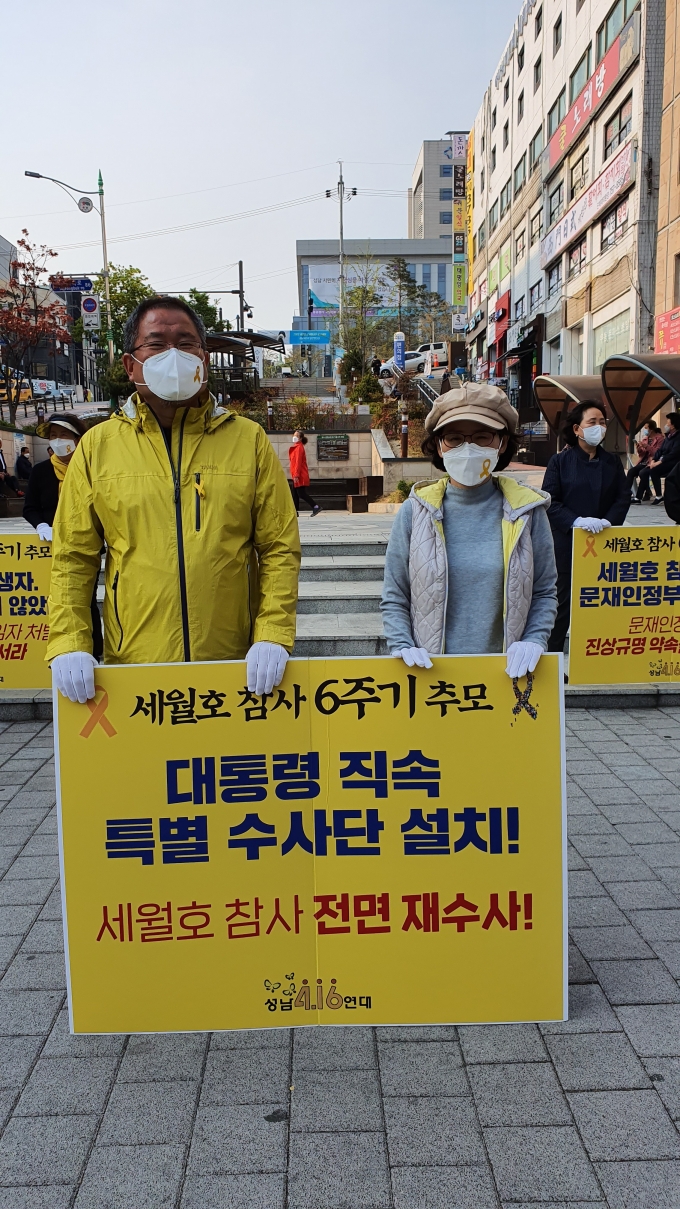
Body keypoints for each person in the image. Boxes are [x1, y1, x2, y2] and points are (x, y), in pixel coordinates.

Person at [47, 296, 300, 704]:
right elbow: (72, 557)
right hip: (136, 669)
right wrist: (69, 641)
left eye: (185, 344)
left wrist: (272, 633)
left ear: (203, 359)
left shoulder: (248, 440)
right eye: (156, 344)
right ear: (130, 365)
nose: (173, 355)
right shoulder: (97, 448)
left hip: (234, 666)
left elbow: (279, 548)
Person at [381, 383, 557, 679]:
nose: (468, 447)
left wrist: (534, 639)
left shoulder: (527, 512)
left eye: (482, 437)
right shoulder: (415, 512)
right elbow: (395, 593)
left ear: (502, 443)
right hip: (432, 676)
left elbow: (544, 591)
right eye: (454, 438)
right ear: (439, 446)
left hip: (506, 675)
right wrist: (402, 644)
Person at [543, 400, 630, 656]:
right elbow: (550, 501)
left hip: (603, 542)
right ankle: (553, 661)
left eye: (602, 422)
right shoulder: (560, 462)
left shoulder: (612, 462)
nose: (599, 427)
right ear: (577, 429)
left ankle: (596, 660)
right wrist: (576, 521)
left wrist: (609, 521)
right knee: (561, 606)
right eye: (592, 422)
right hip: (567, 544)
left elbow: (623, 497)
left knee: (600, 604)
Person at [24, 414, 103, 661]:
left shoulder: (91, 467)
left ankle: (95, 650)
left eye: (64, 435)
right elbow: (30, 507)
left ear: (78, 439)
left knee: (86, 600)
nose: (58, 441)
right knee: (61, 599)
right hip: (51, 547)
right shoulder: (41, 471)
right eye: (53, 436)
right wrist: (41, 525)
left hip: (85, 547)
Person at [635, 412, 680, 504]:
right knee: (643, 472)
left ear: (673, 425)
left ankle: (659, 496)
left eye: (668, 423)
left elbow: (673, 454)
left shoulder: (678, 437)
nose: (666, 425)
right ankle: (638, 497)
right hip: (660, 461)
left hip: (672, 463)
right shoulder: (668, 437)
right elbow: (660, 450)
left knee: (654, 470)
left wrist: (659, 462)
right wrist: (654, 460)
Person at [627, 420, 663, 502]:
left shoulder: (660, 439)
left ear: (651, 429)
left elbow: (657, 453)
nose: (644, 430)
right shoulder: (645, 438)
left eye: (646, 428)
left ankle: (638, 497)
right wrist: (639, 448)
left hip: (653, 462)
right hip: (643, 462)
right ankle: (625, 494)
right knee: (631, 472)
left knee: (642, 473)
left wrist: (646, 446)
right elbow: (641, 454)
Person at [288, 431, 320, 516]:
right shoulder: (297, 447)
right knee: (295, 494)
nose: (294, 437)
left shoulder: (299, 448)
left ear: (300, 438)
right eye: (294, 435)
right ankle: (294, 511)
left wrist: (296, 475)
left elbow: (298, 462)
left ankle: (315, 506)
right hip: (297, 474)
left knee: (301, 494)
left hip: (299, 475)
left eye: (296, 436)